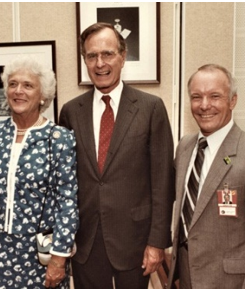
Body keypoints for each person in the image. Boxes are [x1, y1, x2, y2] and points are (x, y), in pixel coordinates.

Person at [58, 22, 174, 288]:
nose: (100, 63)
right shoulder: (70, 112)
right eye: (92, 56)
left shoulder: (151, 108)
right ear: (84, 61)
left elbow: (162, 182)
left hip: (135, 241)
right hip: (86, 242)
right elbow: (64, 182)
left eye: (108, 54)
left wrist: (157, 242)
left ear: (123, 56)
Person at [167, 64, 245, 288]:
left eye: (215, 96)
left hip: (231, 283)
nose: (204, 105)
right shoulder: (184, 147)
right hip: (185, 278)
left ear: (232, 101)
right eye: (196, 97)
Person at [0, 58, 78, 288]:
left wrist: (59, 258)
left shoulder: (59, 138)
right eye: (13, 84)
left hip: (41, 252)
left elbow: (67, 202)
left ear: (43, 94)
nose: (18, 91)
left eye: (28, 85)